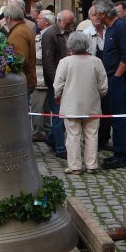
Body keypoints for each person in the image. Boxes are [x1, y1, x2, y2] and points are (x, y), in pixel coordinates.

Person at [53, 31, 108, 174]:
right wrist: (97, 96)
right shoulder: (96, 61)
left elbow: (57, 85)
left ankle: (75, 166)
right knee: (92, 135)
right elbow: (103, 86)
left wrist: (58, 96)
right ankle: (91, 164)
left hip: (71, 105)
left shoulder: (64, 62)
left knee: (72, 136)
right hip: (92, 105)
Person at [95, 0, 126, 169]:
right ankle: (118, 152)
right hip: (111, 79)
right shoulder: (110, 29)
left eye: (97, 13)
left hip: (118, 81)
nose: (95, 17)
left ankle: (121, 157)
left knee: (119, 119)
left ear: (104, 14)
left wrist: (117, 77)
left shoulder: (121, 27)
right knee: (114, 118)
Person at [42, 10, 75, 159]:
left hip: (70, 80)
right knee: (58, 115)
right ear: (59, 20)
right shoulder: (50, 35)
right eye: (67, 23)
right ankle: (60, 148)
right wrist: (57, 83)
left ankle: (51, 138)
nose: (70, 26)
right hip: (56, 81)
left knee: (64, 114)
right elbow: (48, 62)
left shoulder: (71, 31)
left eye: (71, 23)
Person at [83, 6, 111, 151]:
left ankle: (104, 139)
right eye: (93, 15)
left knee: (107, 109)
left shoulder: (109, 32)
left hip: (108, 75)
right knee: (91, 110)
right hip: (92, 77)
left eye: (99, 14)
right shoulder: (86, 34)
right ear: (90, 17)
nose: (97, 17)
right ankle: (89, 140)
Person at [31, 10, 54, 142]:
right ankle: (46, 129)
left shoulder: (46, 36)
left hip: (41, 77)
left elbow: (42, 56)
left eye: (39, 19)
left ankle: (39, 131)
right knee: (45, 107)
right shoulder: (45, 34)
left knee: (37, 106)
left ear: (46, 22)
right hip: (44, 77)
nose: (37, 21)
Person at [3, 4, 37, 95]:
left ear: (8, 18)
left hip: (22, 82)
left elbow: (19, 59)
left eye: (5, 19)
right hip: (25, 80)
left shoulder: (18, 33)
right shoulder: (23, 28)